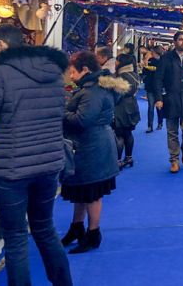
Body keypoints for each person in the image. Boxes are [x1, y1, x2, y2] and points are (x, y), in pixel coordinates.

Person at [0, 25, 73, 286]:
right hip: (48, 165)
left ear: (2, 45)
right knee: (45, 229)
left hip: (12, 170)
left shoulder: (0, 75)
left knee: (16, 239)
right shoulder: (54, 73)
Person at [60, 51, 122, 254]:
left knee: (91, 192)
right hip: (88, 146)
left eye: (72, 72)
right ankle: (77, 227)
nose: (70, 76)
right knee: (82, 189)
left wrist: (61, 112)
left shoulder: (92, 90)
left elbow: (81, 120)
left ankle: (93, 232)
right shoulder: (94, 87)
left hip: (92, 147)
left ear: (84, 70)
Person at [154, 31, 183, 174]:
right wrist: (159, 98)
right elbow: (158, 79)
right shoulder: (165, 58)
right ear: (175, 42)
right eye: (180, 39)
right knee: (172, 132)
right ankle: (174, 160)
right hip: (171, 100)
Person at [113, 53, 140, 169]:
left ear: (121, 62)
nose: (115, 63)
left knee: (119, 135)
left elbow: (117, 95)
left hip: (121, 107)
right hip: (132, 105)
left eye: (117, 61)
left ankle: (118, 161)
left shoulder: (121, 77)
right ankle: (129, 158)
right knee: (128, 133)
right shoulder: (134, 74)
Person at [142, 45, 164, 132]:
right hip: (150, 86)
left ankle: (160, 122)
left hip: (159, 87)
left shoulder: (163, 61)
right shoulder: (150, 60)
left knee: (159, 106)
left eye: (152, 52)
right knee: (150, 107)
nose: (151, 54)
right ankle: (150, 126)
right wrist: (146, 65)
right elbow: (144, 71)